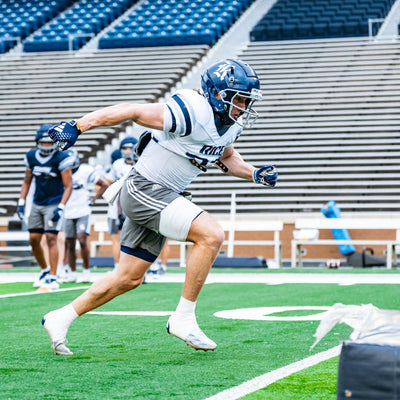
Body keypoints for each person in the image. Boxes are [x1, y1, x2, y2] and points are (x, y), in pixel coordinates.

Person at [41, 58, 278, 355]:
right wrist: (79, 125)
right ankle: (183, 318)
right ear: (217, 93)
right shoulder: (192, 110)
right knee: (211, 235)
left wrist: (254, 173)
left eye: (246, 100)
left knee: (129, 278)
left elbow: (226, 157)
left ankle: (60, 317)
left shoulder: (228, 125)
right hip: (144, 189)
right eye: (239, 98)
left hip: (160, 194)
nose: (243, 106)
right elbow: (133, 110)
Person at [17, 124, 74, 290]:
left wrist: (61, 207)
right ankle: (45, 270)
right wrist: (21, 203)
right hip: (37, 202)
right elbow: (27, 181)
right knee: (33, 239)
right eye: (44, 142)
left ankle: (53, 277)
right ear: (37, 142)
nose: (47, 145)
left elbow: (69, 185)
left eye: (50, 142)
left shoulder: (61, 157)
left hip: (54, 202)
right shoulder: (31, 156)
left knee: (51, 238)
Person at [61, 149, 109, 283]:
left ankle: (86, 271)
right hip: (68, 211)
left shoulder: (85, 170)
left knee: (82, 239)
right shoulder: (62, 171)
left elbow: (104, 184)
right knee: (70, 243)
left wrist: (93, 199)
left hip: (83, 210)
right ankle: (73, 273)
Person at [103, 136, 138, 269]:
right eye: (125, 148)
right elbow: (107, 182)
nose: (128, 151)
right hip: (116, 208)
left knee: (136, 239)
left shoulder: (142, 163)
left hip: (135, 207)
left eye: (130, 148)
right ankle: (118, 267)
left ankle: (139, 268)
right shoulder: (117, 164)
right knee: (116, 239)